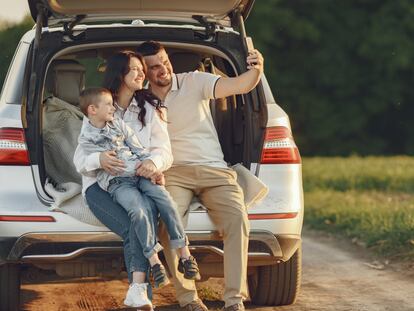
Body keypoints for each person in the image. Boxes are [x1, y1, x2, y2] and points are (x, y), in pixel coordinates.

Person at [135, 41, 264, 311]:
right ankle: (189, 299)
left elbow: (240, 85)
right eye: (155, 67)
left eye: (165, 62)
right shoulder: (141, 99)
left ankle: (234, 300)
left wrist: (257, 68)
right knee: (169, 225)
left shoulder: (194, 81)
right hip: (172, 173)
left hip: (214, 169)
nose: (164, 69)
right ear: (144, 72)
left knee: (238, 219)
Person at [73, 51, 175, 310]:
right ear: (120, 74)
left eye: (142, 68)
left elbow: (163, 150)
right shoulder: (100, 106)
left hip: (136, 180)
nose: (143, 73)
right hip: (100, 186)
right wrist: (99, 160)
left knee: (144, 215)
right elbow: (80, 160)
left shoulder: (151, 108)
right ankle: (139, 294)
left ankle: (137, 294)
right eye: (135, 69)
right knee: (136, 225)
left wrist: (154, 165)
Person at [76, 87, 201, 287]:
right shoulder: (86, 138)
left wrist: (153, 169)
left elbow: (138, 149)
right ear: (92, 110)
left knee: (166, 201)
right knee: (138, 211)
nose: (112, 108)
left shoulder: (118, 124)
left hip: (140, 173)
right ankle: (154, 261)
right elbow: (88, 164)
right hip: (118, 183)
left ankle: (185, 254)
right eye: (108, 104)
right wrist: (99, 159)